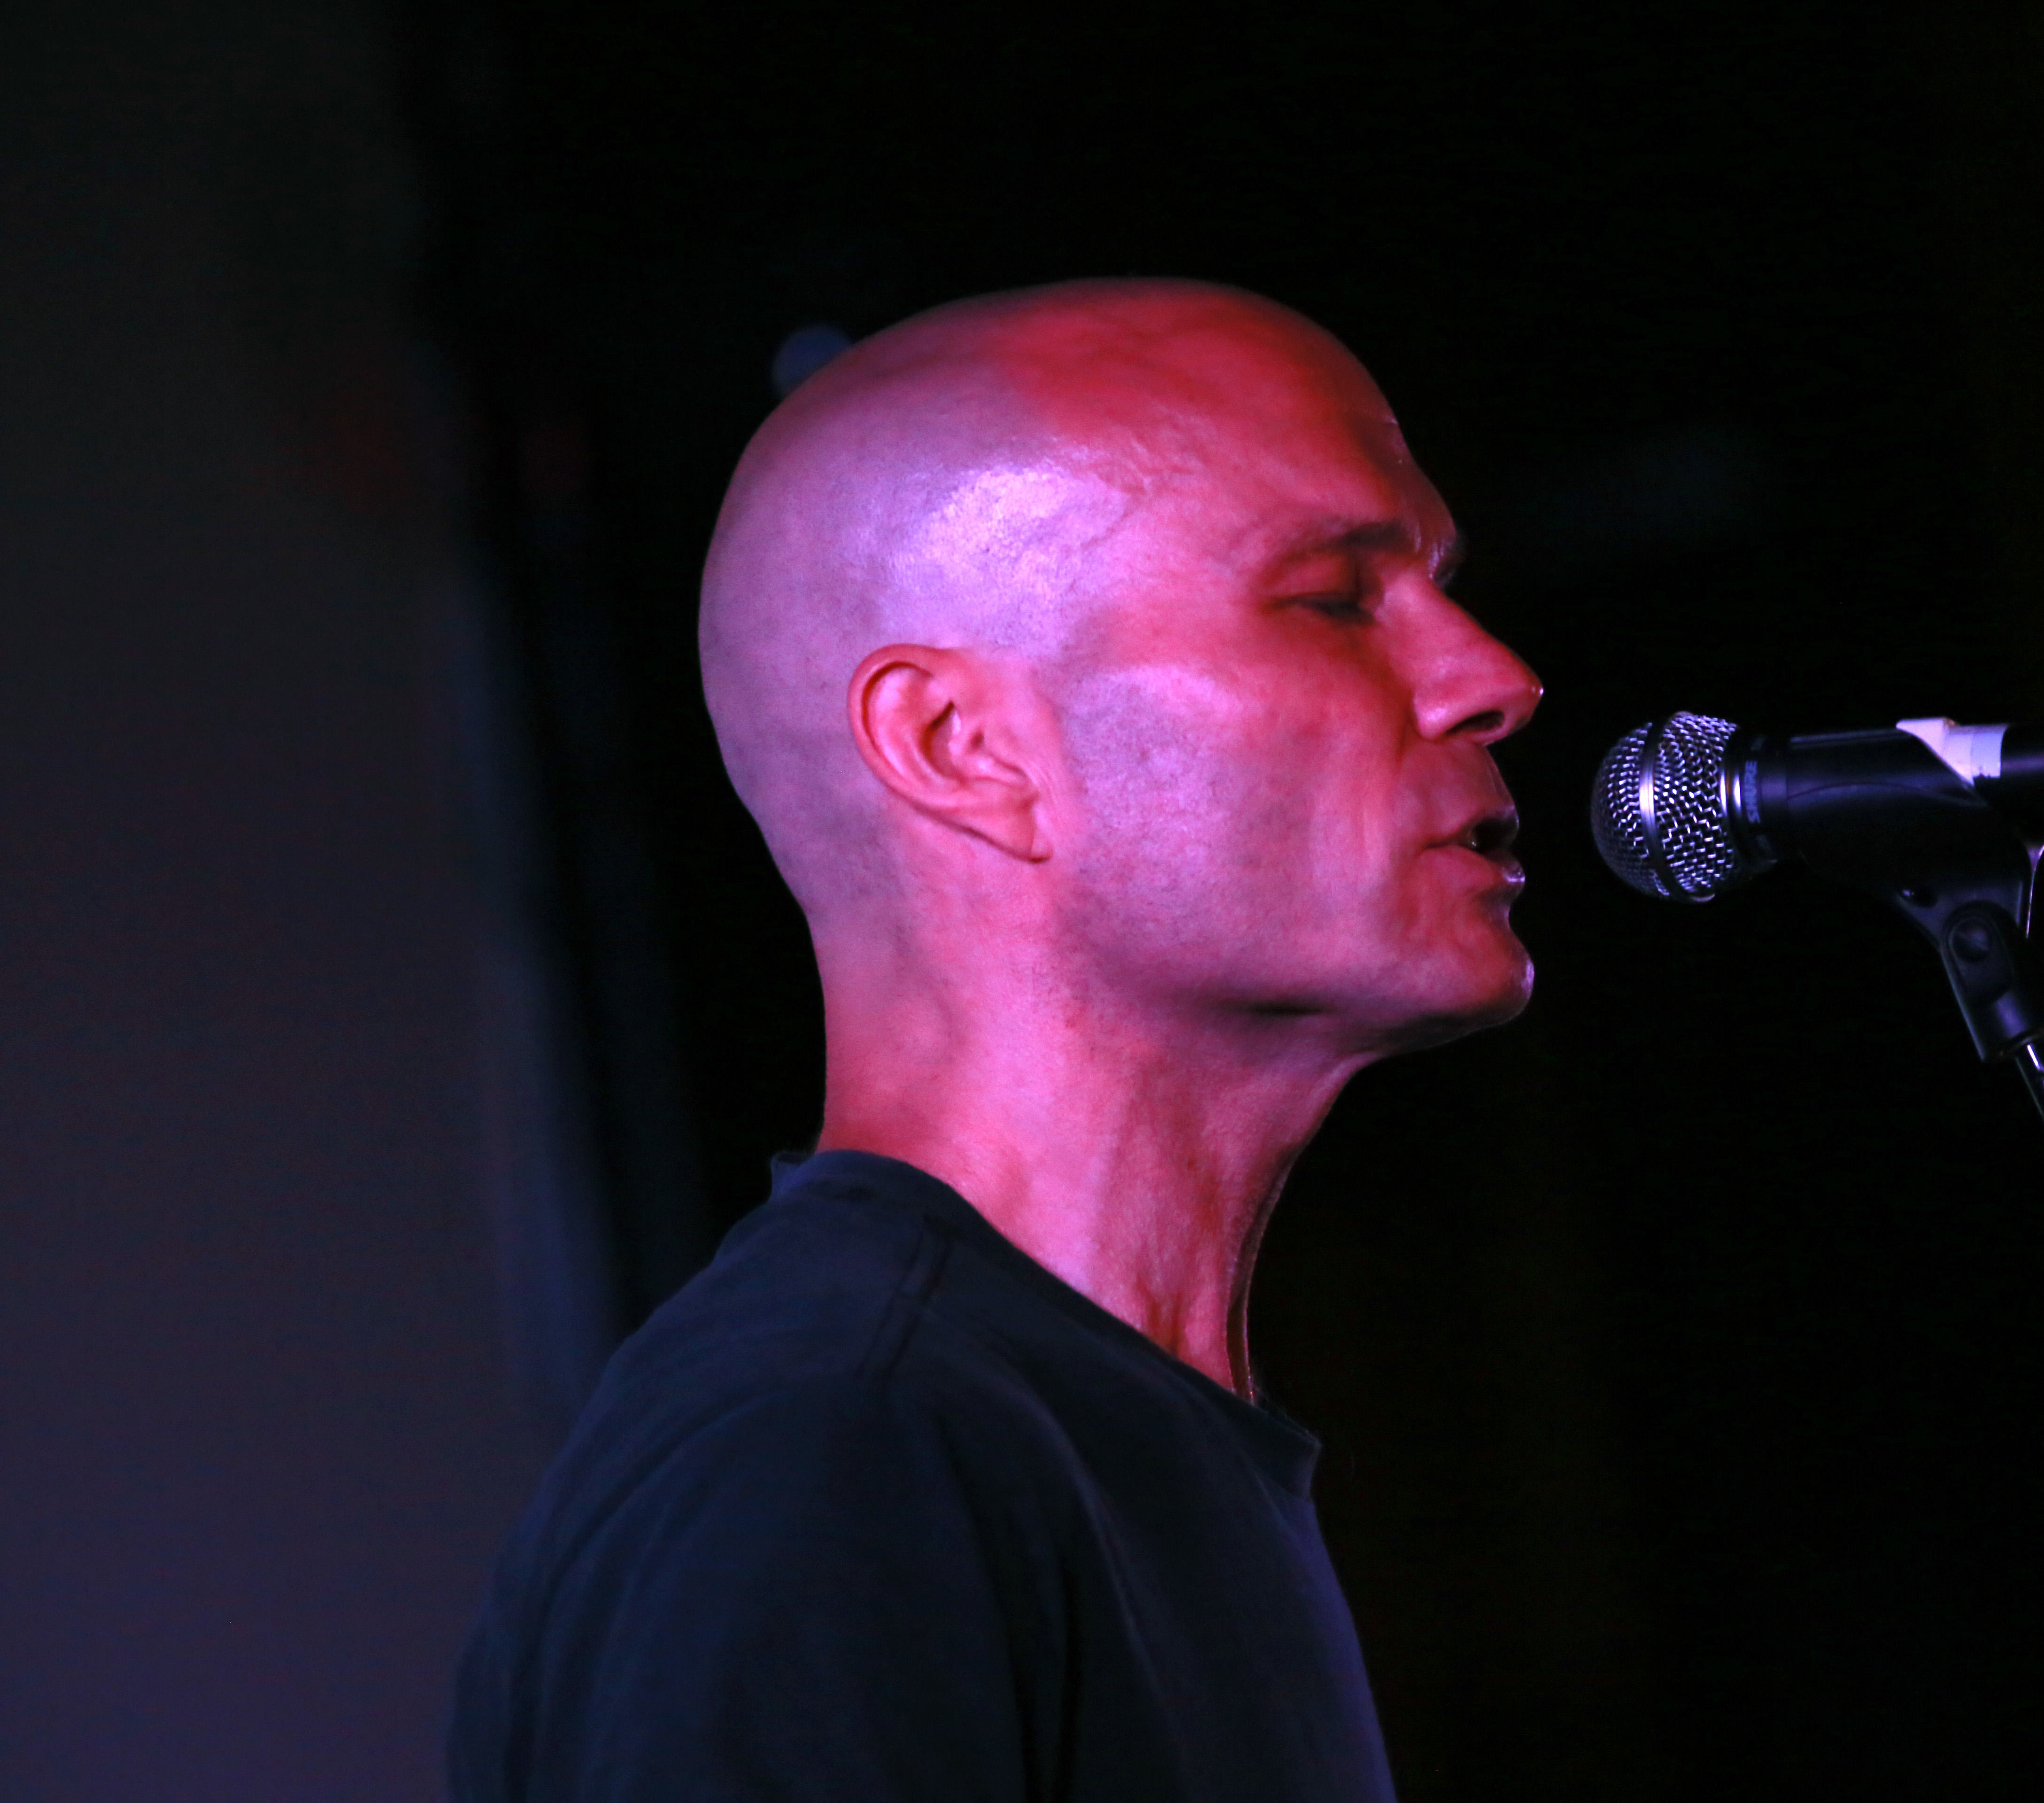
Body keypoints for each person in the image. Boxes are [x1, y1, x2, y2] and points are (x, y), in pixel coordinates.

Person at [448, 279, 1543, 1802]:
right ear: (964, 749)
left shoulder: (1047, 1429)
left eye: (1439, 586)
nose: (1495, 680)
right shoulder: (835, 1451)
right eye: (1336, 599)